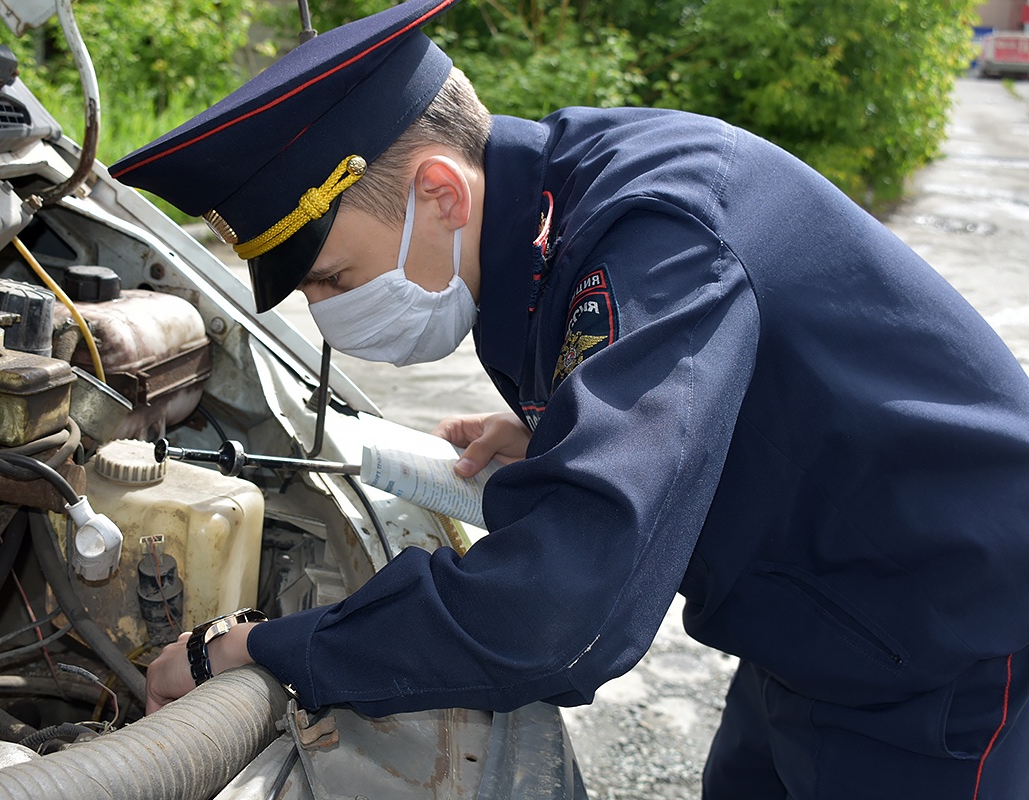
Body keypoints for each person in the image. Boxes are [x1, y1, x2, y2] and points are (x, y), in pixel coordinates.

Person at [109, 0, 1029, 796]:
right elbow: (680, 379)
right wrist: (564, 421)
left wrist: (266, 647)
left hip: (948, 647)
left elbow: (561, 615)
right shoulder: (548, 210)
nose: (331, 317)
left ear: (439, 191)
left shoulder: (655, 231)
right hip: (817, 621)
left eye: (335, 278)